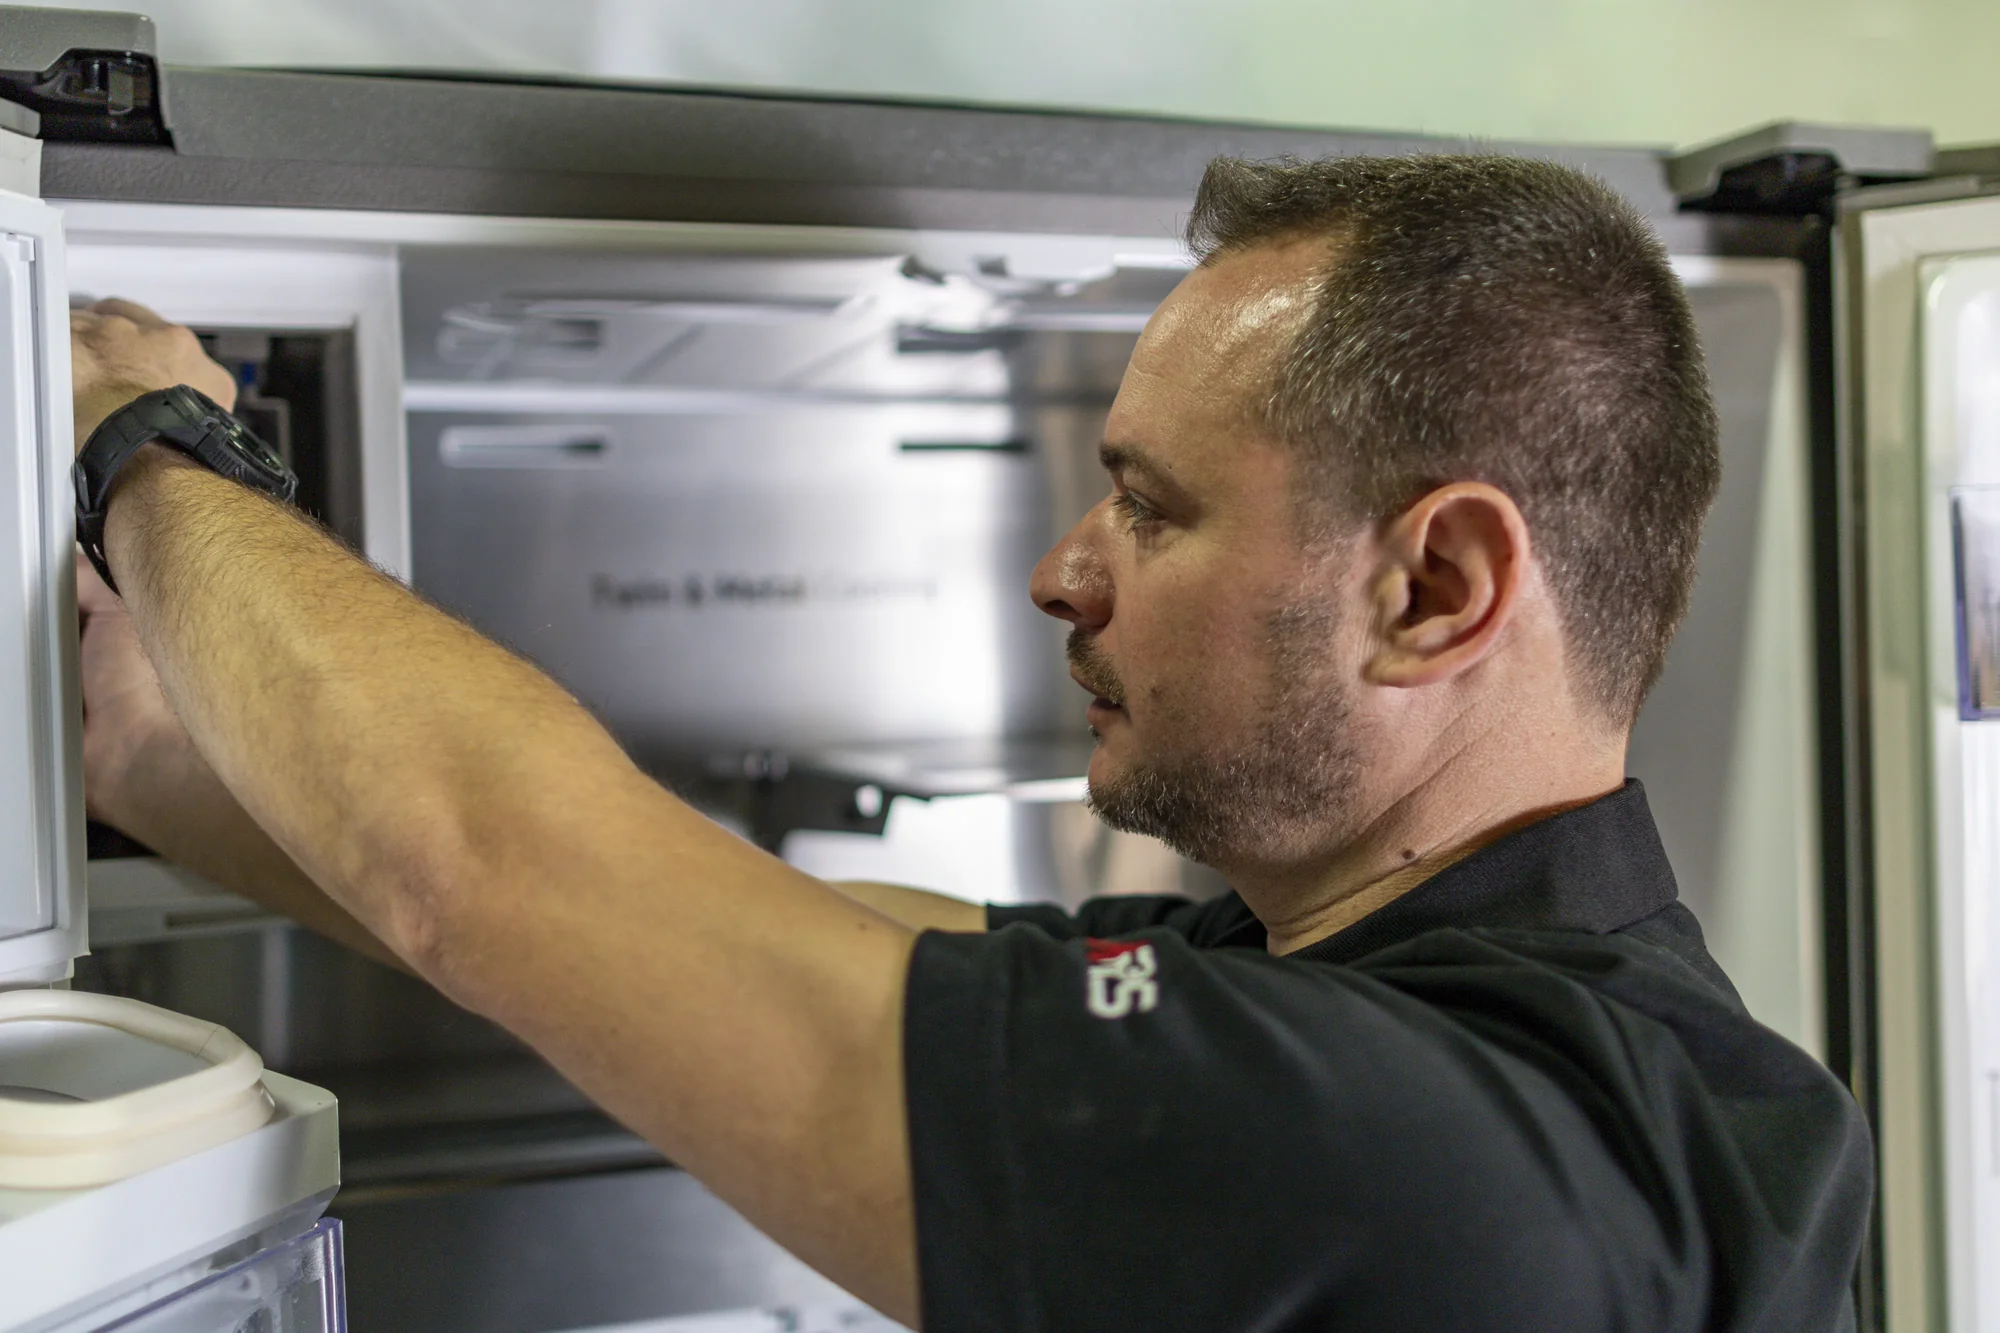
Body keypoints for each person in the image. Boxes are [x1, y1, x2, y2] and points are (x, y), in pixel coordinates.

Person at [73, 154, 1871, 1331]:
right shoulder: (1495, 1031)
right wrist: (143, 760)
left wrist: (150, 451)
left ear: (1441, 584)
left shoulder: (1424, 1141)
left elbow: (493, 869)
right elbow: (640, 937)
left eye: (1150, 511)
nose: (1059, 573)